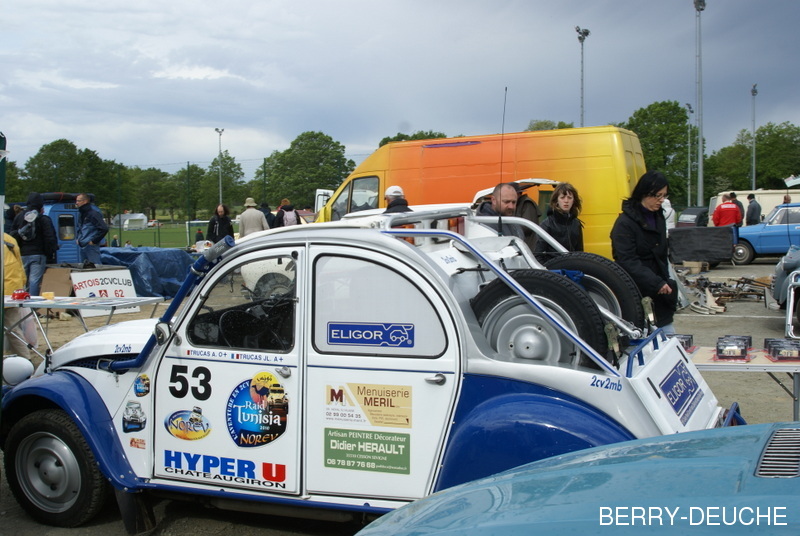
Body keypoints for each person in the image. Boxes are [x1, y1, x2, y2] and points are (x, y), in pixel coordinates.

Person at [610, 171, 677, 334]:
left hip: (661, 295)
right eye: (658, 196)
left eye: (664, 196)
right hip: (636, 293)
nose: (661, 200)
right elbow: (627, 261)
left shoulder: (658, 217)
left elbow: (662, 255)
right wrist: (656, 282)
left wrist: (665, 281)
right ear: (644, 193)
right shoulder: (624, 224)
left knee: (669, 337)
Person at [11, 192, 58, 297]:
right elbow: (50, 237)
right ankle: (33, 302)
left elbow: (12, 235)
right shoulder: (43, 219)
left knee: (23, 280)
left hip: (22, 253)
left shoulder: (19, 217)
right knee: (34, 280)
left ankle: (22, 300)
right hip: (38, 254)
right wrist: (50, 253)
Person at [533, 182, 583, 259]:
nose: (566, 201)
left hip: (573, 264)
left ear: (573, 201)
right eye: (562, 197)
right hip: (554, 265)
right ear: (556, 200)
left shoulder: (576, 223)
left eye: (569, 198)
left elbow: (580, 252)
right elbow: (538, 255)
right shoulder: (547, 225)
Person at [4, 233, 32, 359]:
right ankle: (25, 358)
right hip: (13, 289)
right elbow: (20, 265)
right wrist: (22, 284)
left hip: (8, 290)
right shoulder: (9, 239)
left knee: (12, 328)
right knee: (13, 328)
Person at [76, 193, 108, 266]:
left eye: (78, 201)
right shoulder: (81, 214)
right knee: (83, 267)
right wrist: (78, 238)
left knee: (95, 266)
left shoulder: (93, 214)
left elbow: (104, 228)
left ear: (85, 201)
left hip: (91, 246)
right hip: (82, 244)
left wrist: (94, 240)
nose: (76, 203)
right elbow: (80, 227)